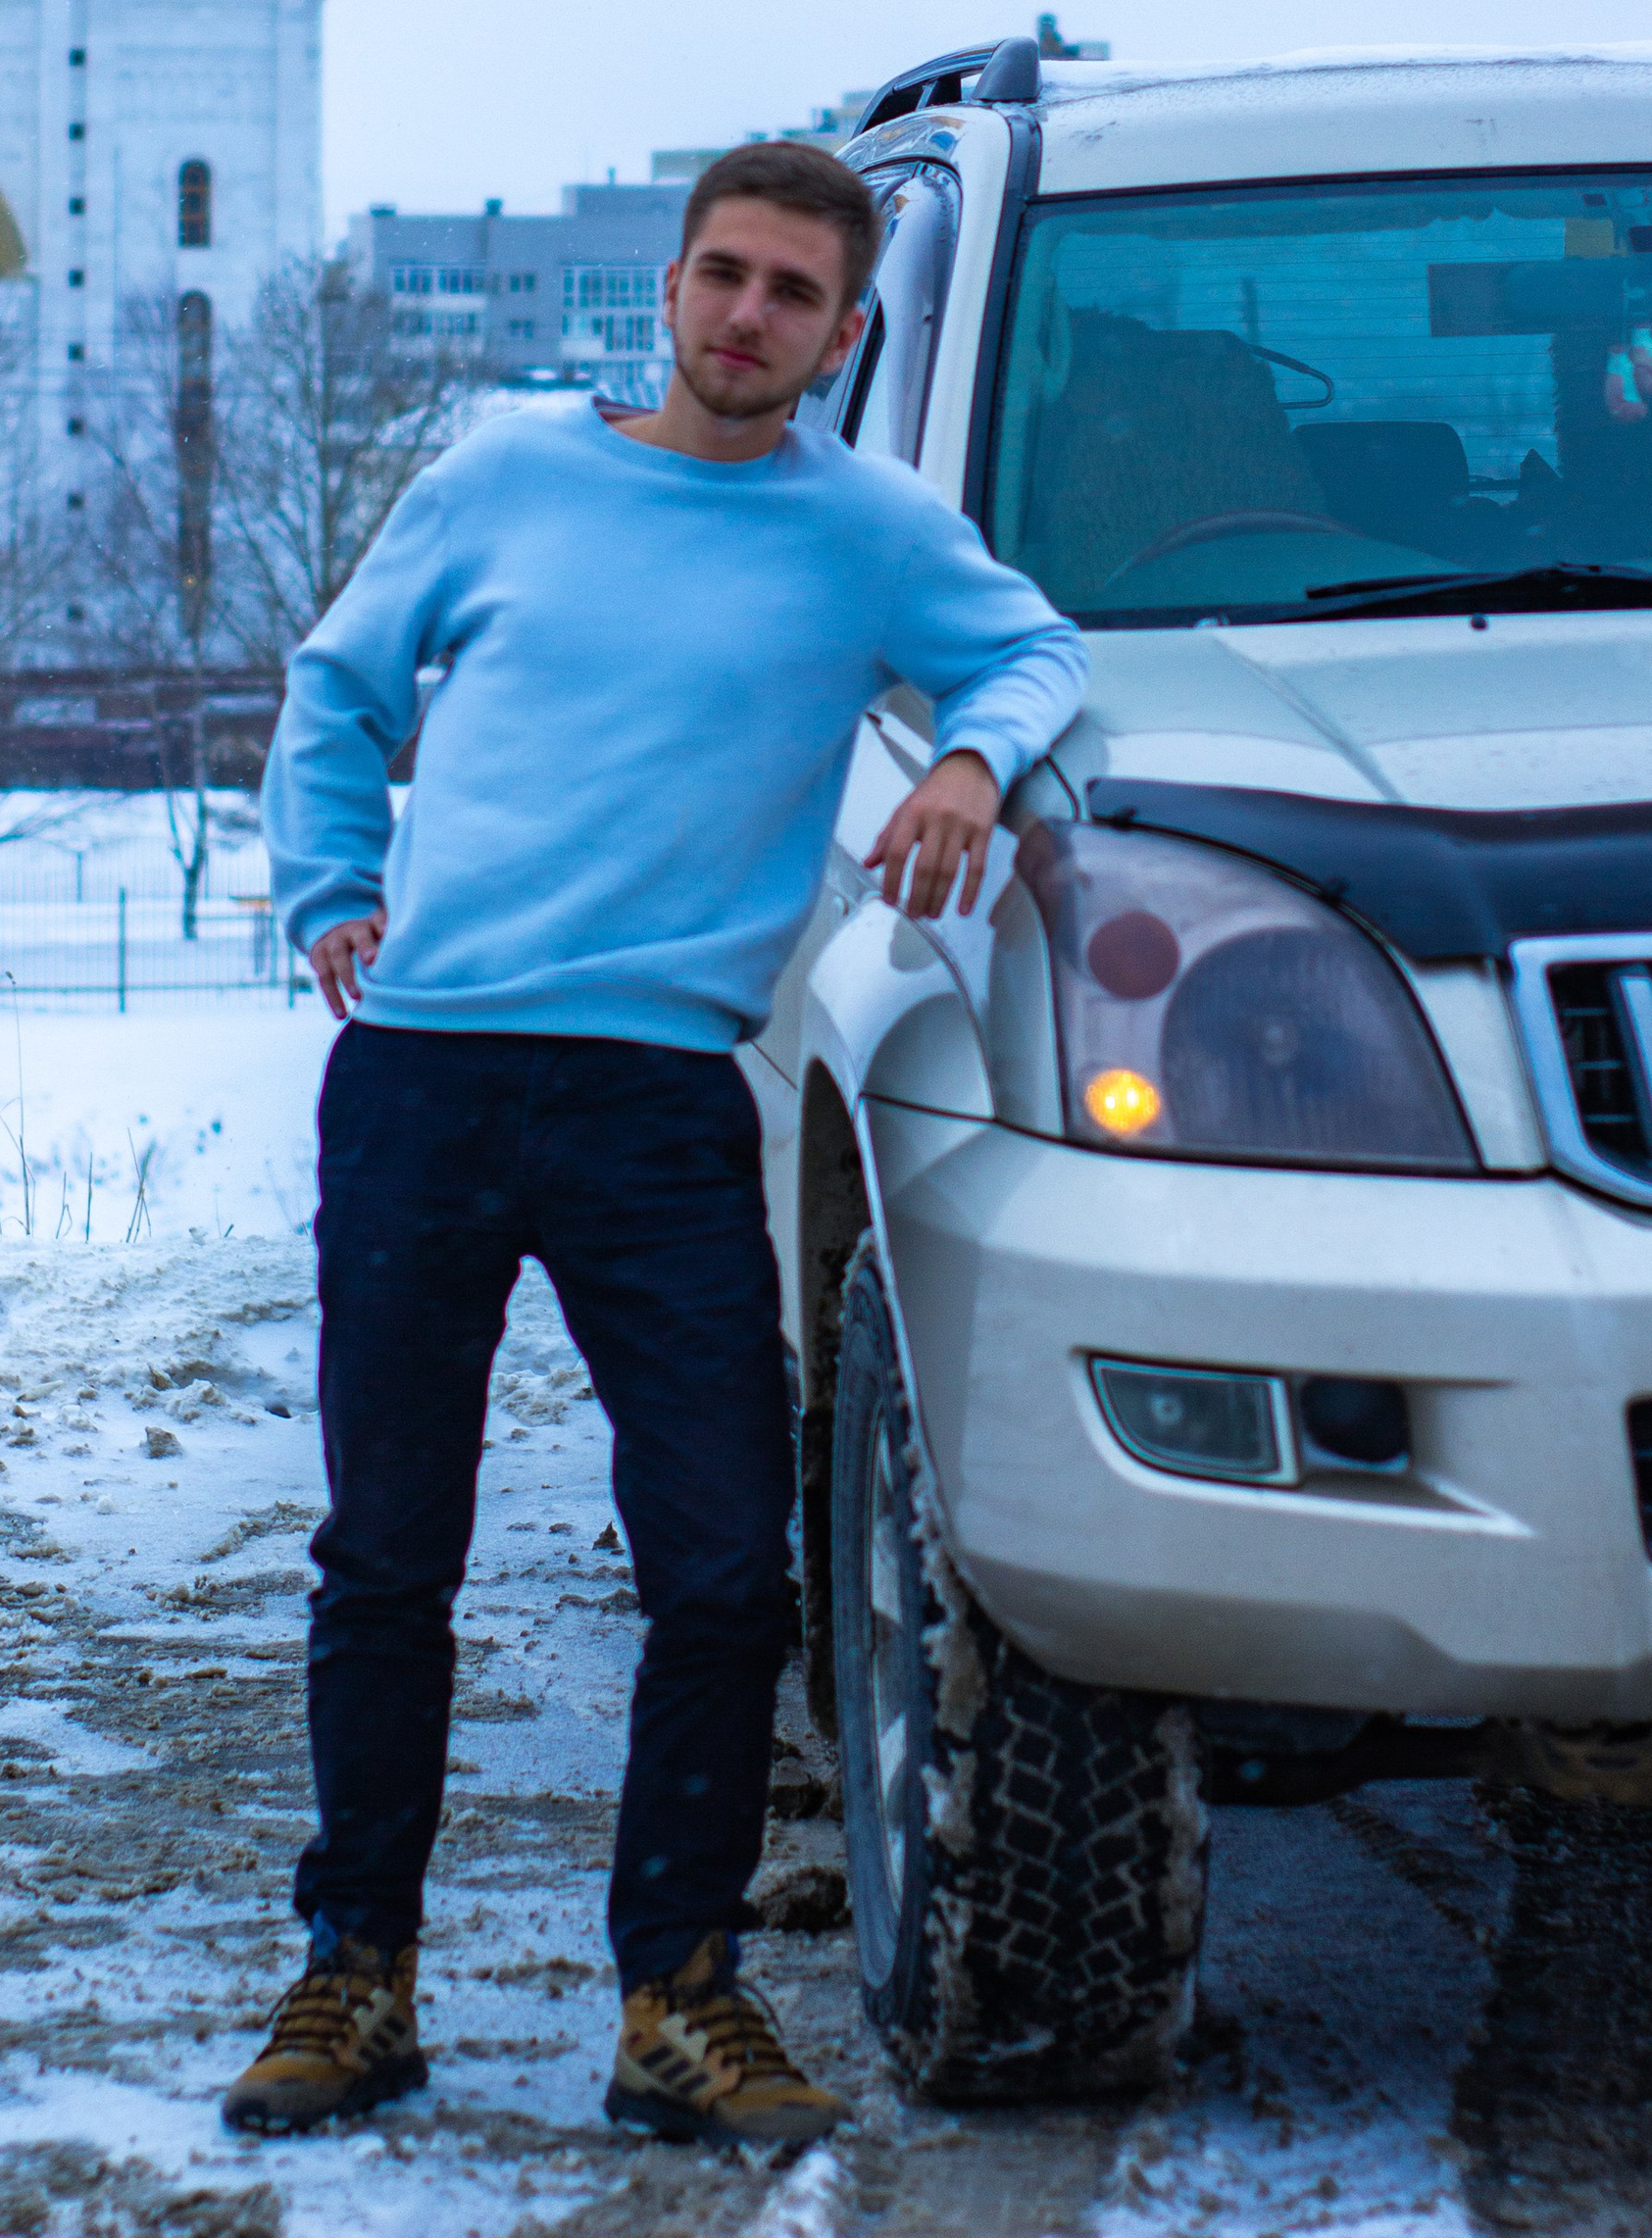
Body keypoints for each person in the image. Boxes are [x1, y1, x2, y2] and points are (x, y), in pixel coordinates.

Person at [223, 137, 1088, 2151]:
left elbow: (1036, 650)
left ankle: (676, 1995)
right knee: (385, 1555)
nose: (744, 315)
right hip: (428, 1073)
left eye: (792, 293)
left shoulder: (867, 534)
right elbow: (335, 691)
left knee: (720, 1567)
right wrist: (324, 884)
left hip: (655, 1098)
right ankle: (355, 1973)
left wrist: (969, 753)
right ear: (670, 285)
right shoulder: (506, 476)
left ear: (842, 333)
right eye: (720, 273)